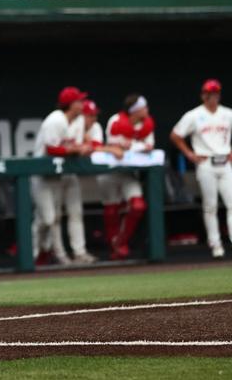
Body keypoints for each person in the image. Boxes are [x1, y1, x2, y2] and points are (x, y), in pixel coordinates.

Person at [170, 79, 232, 258]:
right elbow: (175, 135)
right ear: (203, 95)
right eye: (209, 94)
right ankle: (216, 245)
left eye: (215, 94)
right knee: (210, 206)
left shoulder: (228, 114)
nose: (212, 97)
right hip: (206, 163)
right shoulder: (194, 115)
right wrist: (189, 154)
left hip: (225, 162)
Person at [33, 87, 92, 265]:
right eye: (79, 101)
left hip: (57, 174)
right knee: (46, 218)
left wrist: (81, 147)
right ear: (71, 104)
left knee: (53, 217)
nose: (82, 104)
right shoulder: (55, 120)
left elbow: (76, 145)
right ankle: (33, 253)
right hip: (41, 174)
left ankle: (51, 253)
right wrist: (74, 149)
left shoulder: (75, 121)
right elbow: (51, 149)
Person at [99, 94, 155, 260]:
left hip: (128, 173)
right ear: (135, 110)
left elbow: (149, 147)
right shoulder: (116, 121)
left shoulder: (147, 124)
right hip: (109, 172)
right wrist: (135, 146)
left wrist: (132, 146)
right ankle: (114, 248)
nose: (146, 110)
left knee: (138, 206)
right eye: (143, 107)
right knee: (111, 210)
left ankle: (120, 242)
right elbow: (115, 148)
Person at [61, 99, 105, 264]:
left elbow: (96, 149)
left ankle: (79, 253)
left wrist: (87, 143)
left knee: (76, 212)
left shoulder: (96, 127)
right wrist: (84, 144)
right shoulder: (71, 124)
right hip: (54, 174)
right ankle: (50, 253)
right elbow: (68, 146)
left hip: (71, 174)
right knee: (51, 217)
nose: (93, 119)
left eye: (95, 115)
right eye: (89, 115)